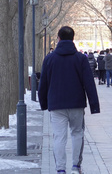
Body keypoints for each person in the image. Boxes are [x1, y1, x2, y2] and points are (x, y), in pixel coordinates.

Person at [38, 26, 100, 174]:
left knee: (59, 137)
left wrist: (44, 103)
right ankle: (75, 167)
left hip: (56, 104)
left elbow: (43, 84)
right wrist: (94, 105)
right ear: (73, 38)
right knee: (77, 133)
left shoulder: (49, 59)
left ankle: (60, 168)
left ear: (58, 38)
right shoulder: (80, 59)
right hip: (76, 103)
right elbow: (89, 83)